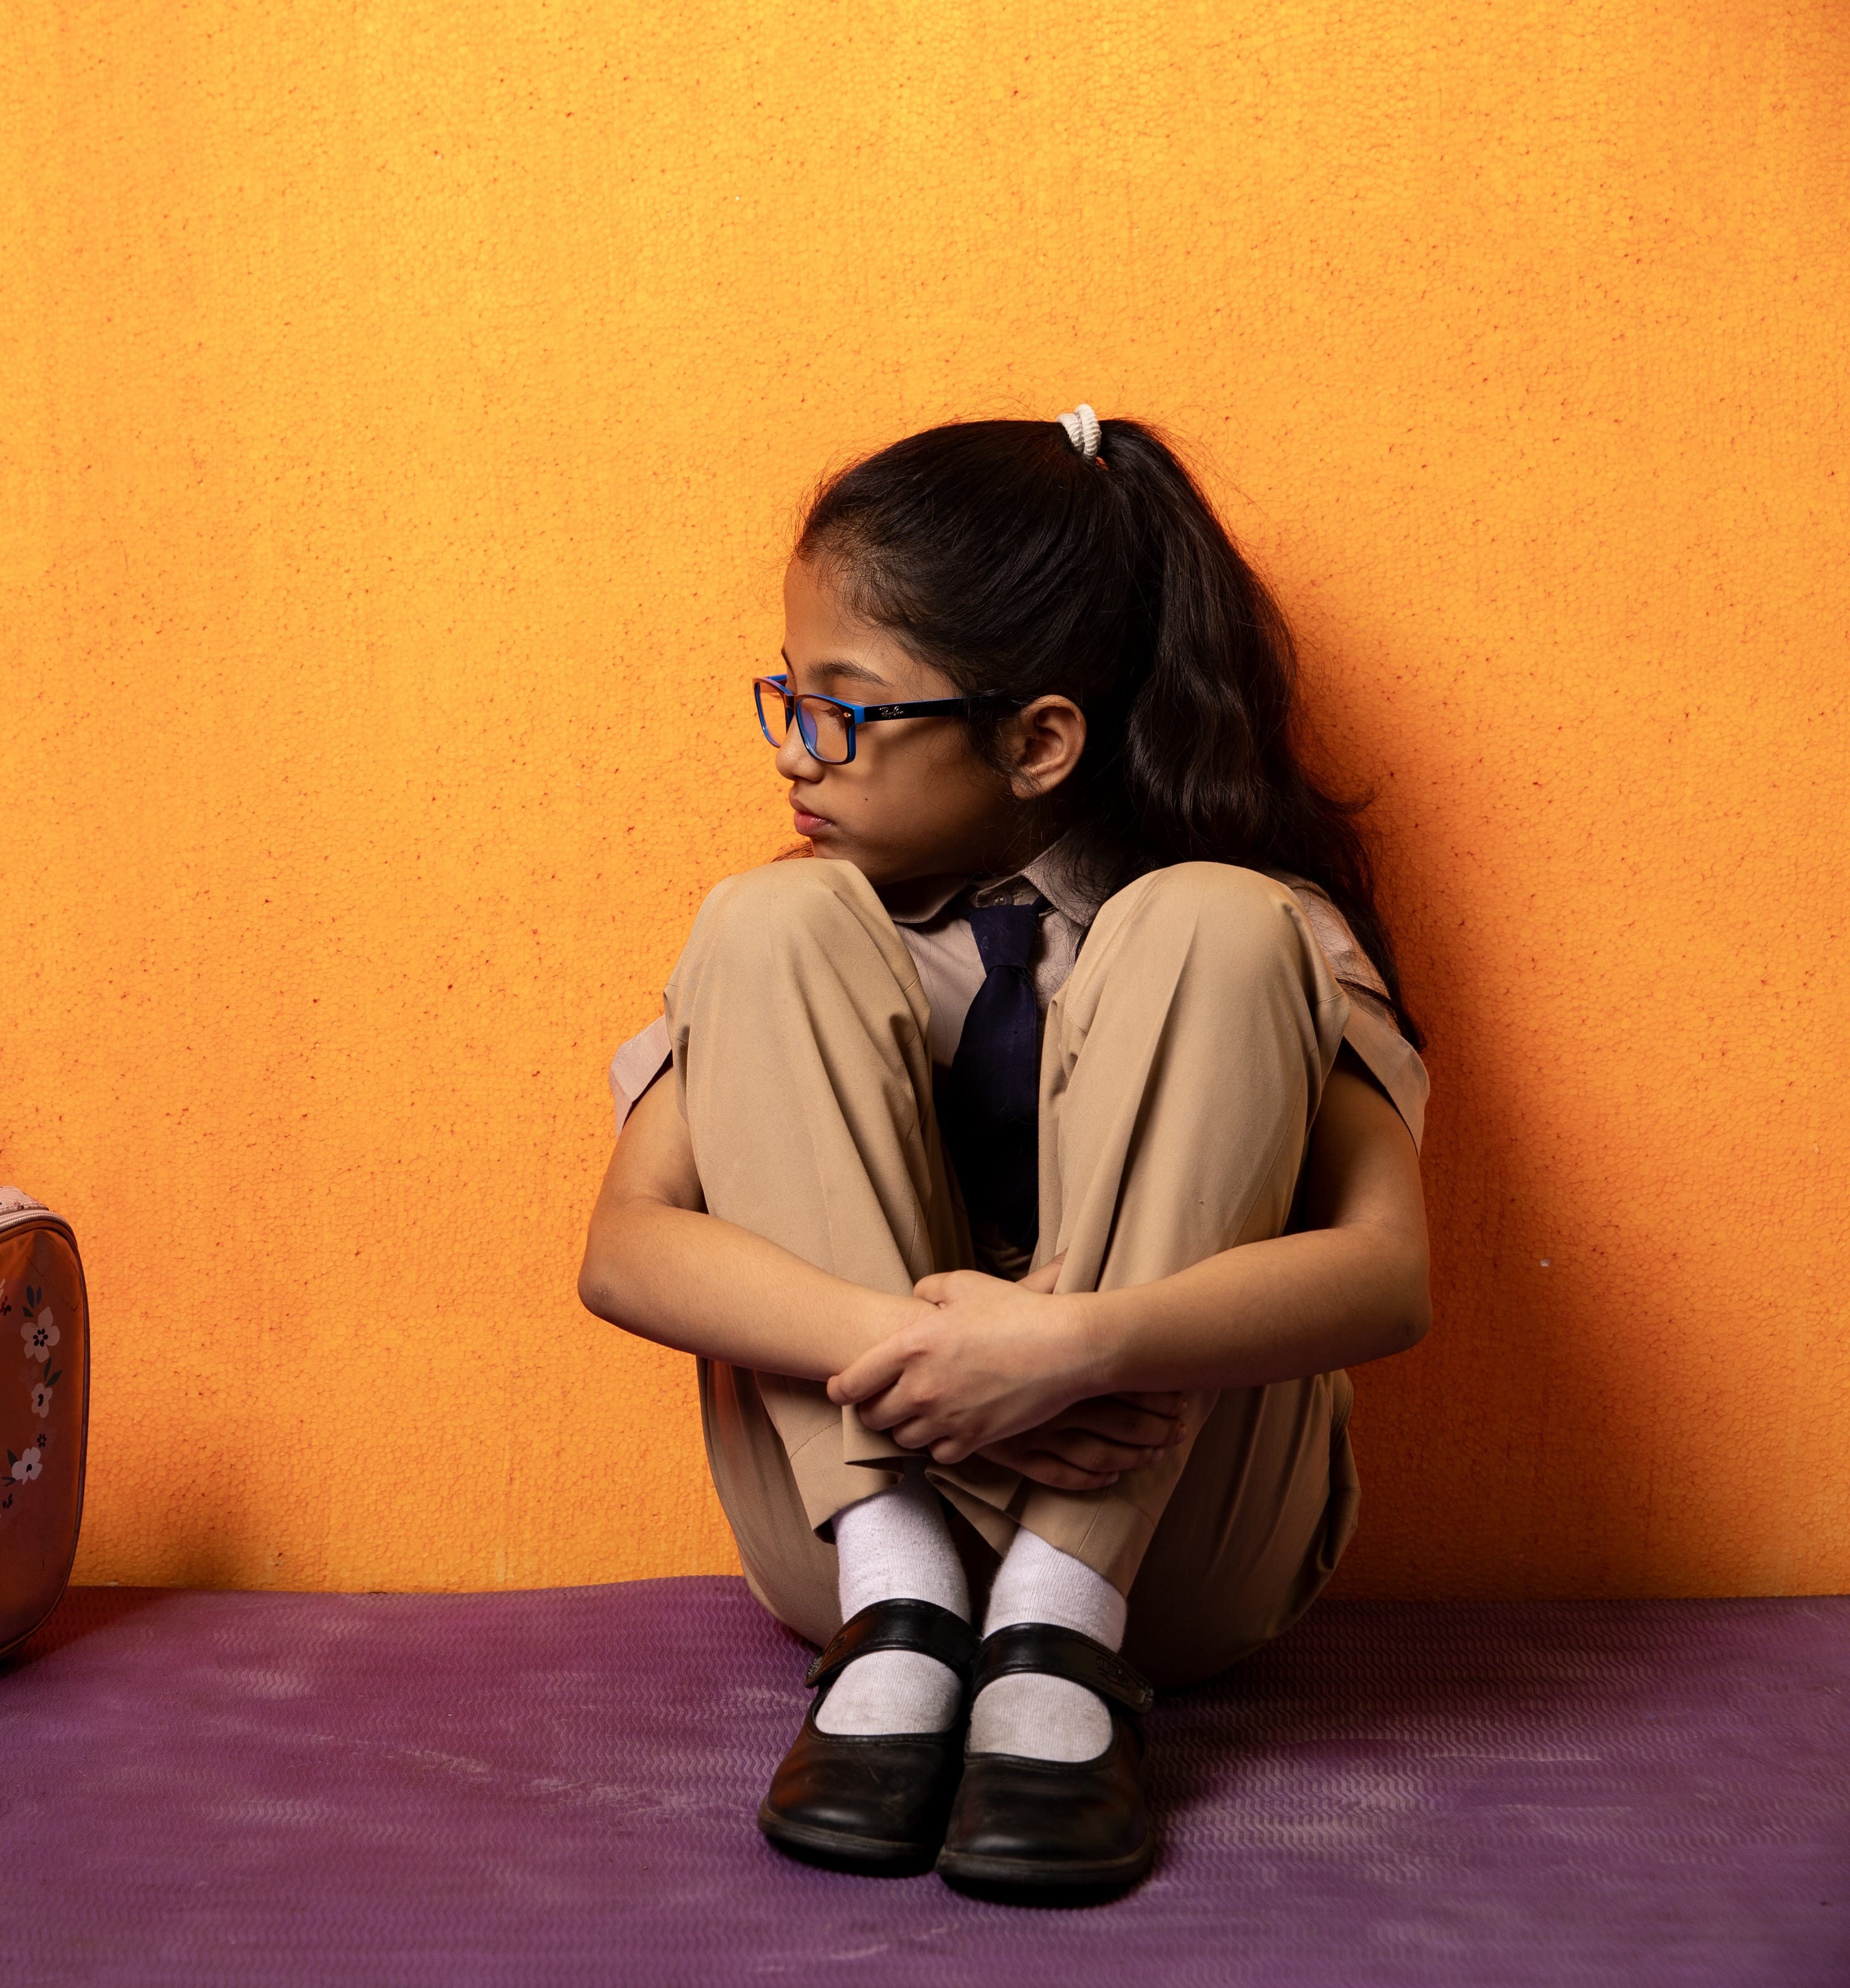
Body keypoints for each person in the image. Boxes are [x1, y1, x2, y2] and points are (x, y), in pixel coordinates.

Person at [576, 408, 1432, 1899]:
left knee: (1215, 916)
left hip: (1175, 1546)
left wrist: (1081, 1346)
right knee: (762, 914)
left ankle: (1061, 1610)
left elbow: (1388, 1273)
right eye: (788, 694)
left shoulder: (1258, 932)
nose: (799, 748)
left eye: (846, 707)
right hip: (852, 1542)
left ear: (1037, 739)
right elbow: (626, 1246)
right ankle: (908, 1605)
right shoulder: (809, 935)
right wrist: (936, 1354)